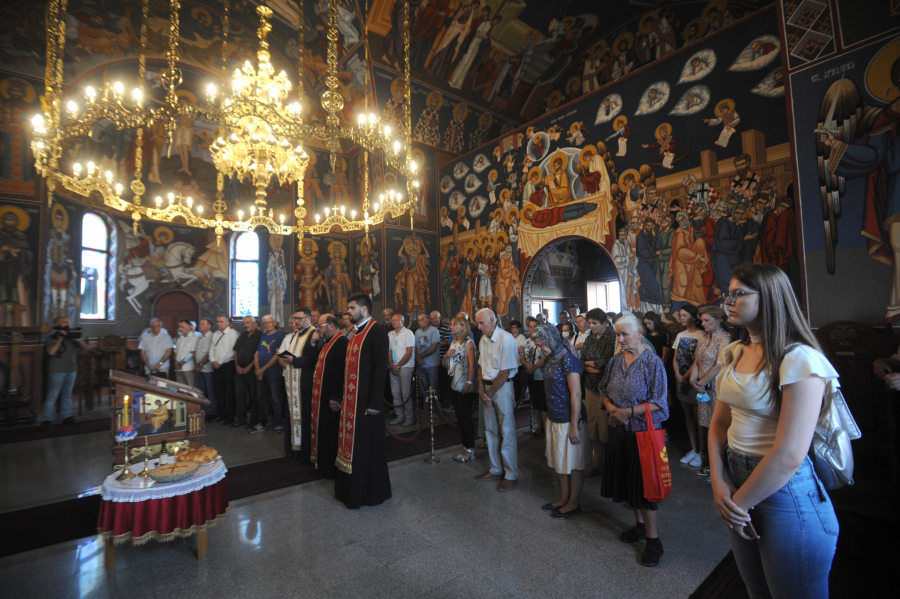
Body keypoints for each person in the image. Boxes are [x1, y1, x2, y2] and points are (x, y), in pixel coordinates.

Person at [710, 263, 840, 596]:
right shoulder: (735, 352)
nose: (729, 300)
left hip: (784, 491)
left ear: (769, 297)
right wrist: (719, 482)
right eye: (729, 293)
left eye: (739, 294)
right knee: (757, 590)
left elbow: (789, 454)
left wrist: (737, 503)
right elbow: (720, 423)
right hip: (737, 481)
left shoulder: (800, 358)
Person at [599, 315, 670, 567]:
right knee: (629, 485)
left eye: (625, 334)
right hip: (619, 430)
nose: (620, 339)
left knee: (644, 488)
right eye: (618, 334)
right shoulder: (616, 360)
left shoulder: (652, 363)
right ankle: (639, 526)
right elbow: (603, 389)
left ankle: (654, 541)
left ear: (640, 333)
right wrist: (611, 408)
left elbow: (659, 403)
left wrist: (626, 413)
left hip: (642, 434)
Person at [335, 293, 392, 509]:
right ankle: (349, 489)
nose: (348, 312)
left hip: (367, 403)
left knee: (366, 447)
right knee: (354, 445)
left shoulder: (376, 332)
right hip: (352, 401)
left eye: (351, 308)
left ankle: (367, 492)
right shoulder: (356, 333)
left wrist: (375, 402)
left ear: (364, 310)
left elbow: (380, 369)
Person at [532, 324, 590, 519]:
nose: (540, 348)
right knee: (560, 460)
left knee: (573, 463)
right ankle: (564, 497)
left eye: (541, 344)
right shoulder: (551, 357)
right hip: (554, 417)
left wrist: (574, 425)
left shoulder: (569, 359)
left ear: (551, 340)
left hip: (569, 419)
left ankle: (574, 503)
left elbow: (576, 394)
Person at [474, 308, 520, 492]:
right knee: (490, 430)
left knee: (506, 430)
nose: (479, 327)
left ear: (492, 320)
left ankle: (510, 474)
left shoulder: (505, 338)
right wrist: (480, 390)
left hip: (502, 388)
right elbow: (480, 367)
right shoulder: (483, 339)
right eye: (478, 323)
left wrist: (489, 394)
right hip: (487, 388)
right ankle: (495, 468)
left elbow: (505, 371)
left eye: (481, 322)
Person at [686, 306, 732, 477]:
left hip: (716, 388)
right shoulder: (704, 337)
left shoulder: (725, 338)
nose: (703, 323)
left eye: (707, 320)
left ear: (719, 320)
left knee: (718, 426)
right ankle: (710, 460)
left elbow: (720, 364)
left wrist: (702, 382)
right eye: (702, 320)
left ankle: (721, 466)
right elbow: (698, 359)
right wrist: (693, 379)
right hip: (702, 387)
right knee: (705, 425)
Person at [310, 314, 348, 479]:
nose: (318, 328)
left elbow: (340, 372)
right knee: (324, 431)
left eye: (320, 325)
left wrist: (335, 396)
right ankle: (322, 463)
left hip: (331, 397)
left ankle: (330, 467)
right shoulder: (327, 342)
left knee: (331, 432)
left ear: (331, 325)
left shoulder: (341, 342)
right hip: (322, 397)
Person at [580, 308, 616, 477]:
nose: (591, 326)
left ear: (605, 323)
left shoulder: (612, 337)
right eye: (590, 323)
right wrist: (592, 366)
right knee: (592, 424)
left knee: (606, 427)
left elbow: (607, 362)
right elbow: (583, 359)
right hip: (590, 385)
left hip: (606, 389)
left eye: (595, 323)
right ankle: (597, 463)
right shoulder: (590, 337)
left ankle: (610, 464)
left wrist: (593, 366)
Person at [280, 308, 319, 461]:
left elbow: (314, 358)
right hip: (292, 383)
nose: (296, 321)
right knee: (292, 416)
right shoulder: (296, 334)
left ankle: (304, 452)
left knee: (304, 416)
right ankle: (293, 449)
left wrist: (294, 361)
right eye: (295, 318)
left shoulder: (314, 334)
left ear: (309, 318)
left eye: (300, 318)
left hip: (305, 384)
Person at [41, 316, 90, 427]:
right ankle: (47, 419)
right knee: (52, 395)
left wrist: (79, 340)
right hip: (56, 371)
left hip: (71, 370)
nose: (66, 323)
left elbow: (86, 348)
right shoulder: (51, 338)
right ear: (57, 325)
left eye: (67, 322)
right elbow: (51, 352)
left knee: (67, 395)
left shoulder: (71, 338)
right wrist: (60, 339)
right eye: (63, 322)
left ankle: (67, 416)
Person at [672, 304, 705, 467]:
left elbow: (698, 360)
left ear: (694, 316)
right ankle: (693, 448)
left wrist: (684, 377)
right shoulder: (680, 335)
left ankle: (701, 451)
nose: (682, 318)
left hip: (695, 380)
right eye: (681, 315)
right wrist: (678, 375)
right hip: (682, 380)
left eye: (685, 315)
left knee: (699, 417)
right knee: (689, 417)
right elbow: (675, 358)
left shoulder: (702, 335)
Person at [444, 315, 478, 463]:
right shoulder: (454, 342)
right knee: (460, 418)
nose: (451, 327)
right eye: (451, 324)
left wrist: (469, 382)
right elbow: (445, 365)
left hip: (464, 384)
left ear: (463, 327)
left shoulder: (468, 343)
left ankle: (470, 449)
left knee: (465, 418)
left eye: (454, 324)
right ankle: (465, 446)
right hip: (454, 383)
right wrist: (446, 355)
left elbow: (472, 365)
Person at [252, 315, 286, 434]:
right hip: (262, 374)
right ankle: (263, 422)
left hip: (274, 374)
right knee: (262, 399)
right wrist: (258, 369)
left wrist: (263, 369)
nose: (267, 325)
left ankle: (277, 424)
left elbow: (277, 355)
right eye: (265, 323)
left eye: (269, 322)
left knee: (276, 400)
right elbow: (256, 354)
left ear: (274, 323)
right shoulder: (262, 336)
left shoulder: (280, 336)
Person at [233, 316, 262, 428]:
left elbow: (258, 354)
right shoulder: (242, 336)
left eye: (248, 322)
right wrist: (237, 365)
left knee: (254, 395)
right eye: (244, 323)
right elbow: (236, 351)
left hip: (252, 371)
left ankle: (254, 420)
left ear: (254, 323)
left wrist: (249, 367)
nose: (245, 325)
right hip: (239, 371)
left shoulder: (259, 336)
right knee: (239, 395)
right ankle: (241, 419)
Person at [210, 315, 239, 424]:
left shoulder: (232, 334)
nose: (219, 324)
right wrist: (212, 360)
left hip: (227, 366)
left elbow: (231, 351)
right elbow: (212, 348)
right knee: (219, 391)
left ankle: (230, 416)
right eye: (218, 322)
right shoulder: (216, 334)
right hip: (216, 366)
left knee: (229, 392)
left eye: (221, 322)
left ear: (227, 323)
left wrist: (219, 362)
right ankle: (221, 414)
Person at [521, 317, 547, 438]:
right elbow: (522, 357)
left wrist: (534, 367)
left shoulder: (544, 340)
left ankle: (546, 428)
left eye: (534, 326)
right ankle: (539, 427)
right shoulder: (526, 341)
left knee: (544, 404)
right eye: (530, 326)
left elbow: (546, 357)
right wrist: (528, 365)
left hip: (542, 376)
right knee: (535, 403)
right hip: (531, 377)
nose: (532, 329)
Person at [388, 314, 415, 426]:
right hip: (393, 367)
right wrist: (391, 365)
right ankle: (399, 416)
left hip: (406, 367)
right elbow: (389, 351)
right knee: (395, 393)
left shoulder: (408, 333)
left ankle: (409, 417)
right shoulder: (390, 334)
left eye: (396, 320)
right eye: (392, 320)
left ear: (402, 322)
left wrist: (398, 366)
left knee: (405, 393)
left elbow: (409, 352)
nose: (393, 322)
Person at [194, 318, 218, 421]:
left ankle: (212, 413)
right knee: (200, 392)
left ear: (209, 326)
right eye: (200, 324)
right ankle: (202, 412)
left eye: (203, 324)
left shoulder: (212, 337)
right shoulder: (199, 337)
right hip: (199, 369)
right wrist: (196, 364)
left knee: (210, 392)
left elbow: (209, 353)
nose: (201, 325)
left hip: (207, 369)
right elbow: (196, 351)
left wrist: (200, 364)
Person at [414, 312, 440, 404]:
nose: (420, 322)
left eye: (422, 319)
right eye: (419, 320)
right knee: (423, 389)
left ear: (428, 320)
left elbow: (434, 347)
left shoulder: (434, 330)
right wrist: (418, 359)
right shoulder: (417, 332)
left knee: (433, 389)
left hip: (432, 364)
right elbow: (415, 347)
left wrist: (421, 356)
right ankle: (427, 410)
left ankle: (436, 411)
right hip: (421, 365)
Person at [433, 311, 452, 406]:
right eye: (431, 319)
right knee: (434, 382)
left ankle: (444, 401)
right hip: (431, 360)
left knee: (443, 381)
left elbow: (447, 341)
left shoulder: (445, 327)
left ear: (439, 318)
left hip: (442, 359)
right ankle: (435, 401)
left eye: (435, 318)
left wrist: (435, 344)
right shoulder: (430, 328)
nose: (433, 320)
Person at [172, 320, 198, 387]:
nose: (180, 328)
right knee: (180, 389)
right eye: (179, 327)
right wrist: (175, 362)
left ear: (189, 327)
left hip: (188, 368)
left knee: (190, 389)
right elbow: (175, 351)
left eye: (182, 327)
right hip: (178, 369)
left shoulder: (194, 338)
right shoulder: (180, 338)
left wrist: (180, 363)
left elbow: (191, 353)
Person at [509, 319, 527, 403]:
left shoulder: (522, 337)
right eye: (512, 327)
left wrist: (511, 350)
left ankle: (518, 399)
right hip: (509, 362)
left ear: (518, 328)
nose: (513, 329)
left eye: (515, 327)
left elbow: (520, 349)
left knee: (517, 382)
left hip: (518, 363)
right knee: (510, 382)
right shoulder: (509, 336)